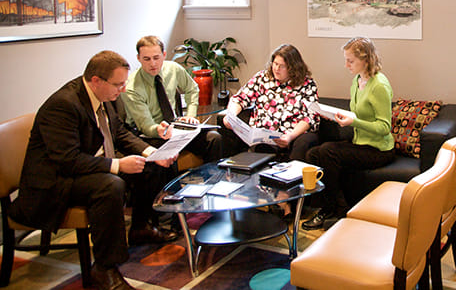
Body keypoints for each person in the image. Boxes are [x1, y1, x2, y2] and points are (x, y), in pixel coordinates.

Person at [9, 51, 178, 290]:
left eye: (124, 84)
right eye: (118, 84)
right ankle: (105, 268)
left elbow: (119, 133)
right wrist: (118, 165)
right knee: (111, 185)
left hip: (83, 169)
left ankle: (140, 228)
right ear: (96, 80)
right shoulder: (63, 105)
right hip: (53, 183)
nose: (122, 90)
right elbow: (67, 161)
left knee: (148, 168)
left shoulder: (105, 97)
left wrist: (151, 153)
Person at [302, 37, 395, 230]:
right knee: (313, 154)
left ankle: (339, 210)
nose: (346, 65)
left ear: (366, 60)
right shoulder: (357, 81)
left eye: (350, 61)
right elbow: (356, 113)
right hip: (360, 143)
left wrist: (354, 122)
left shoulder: (379, 85)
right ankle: (329, 208)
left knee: (328, 151)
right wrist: (335, 116)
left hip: (378, 149)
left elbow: (384, 127)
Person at [122, 35, 221, 163]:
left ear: (164, 55)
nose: (152, 63)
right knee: (167, 154)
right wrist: (159, 130)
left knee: (214, 138)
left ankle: (213, 180)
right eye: (146, 59)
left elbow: (192, 89)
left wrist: (190, 116)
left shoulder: (173, 69)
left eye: (156, 58)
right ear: (138, 58)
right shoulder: (132, 87)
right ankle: (176, 184)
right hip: (150, 134)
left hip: (175, 128)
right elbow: (146, 126)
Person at [223, 43, 319, 161]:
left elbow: (311, 117)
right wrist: (231, 115)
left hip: (292, 134)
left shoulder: (307, 84)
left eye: (282, 66)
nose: (277, 69)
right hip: (264, 135)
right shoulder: (262, 78)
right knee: (260, 148)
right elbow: (240, 98)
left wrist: (290, 136)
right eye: (275, 64)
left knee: (304, 142)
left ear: (293, 68)